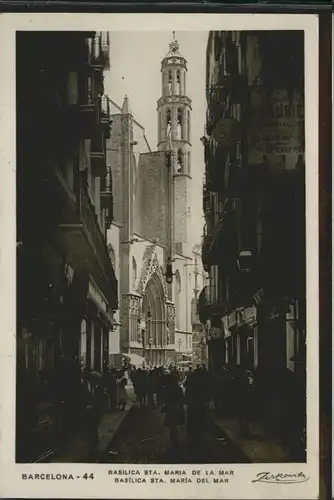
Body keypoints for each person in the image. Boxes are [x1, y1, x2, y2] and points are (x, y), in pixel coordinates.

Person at [161, 372, 185, 460]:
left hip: (171, 410)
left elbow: (166, 400)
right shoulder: (178, 389)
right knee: (175, 427)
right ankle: (176, 444)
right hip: (177, 409)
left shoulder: (167, 389)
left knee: (172, 427)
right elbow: (182, 399)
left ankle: (174, 444)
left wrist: (165, 407)